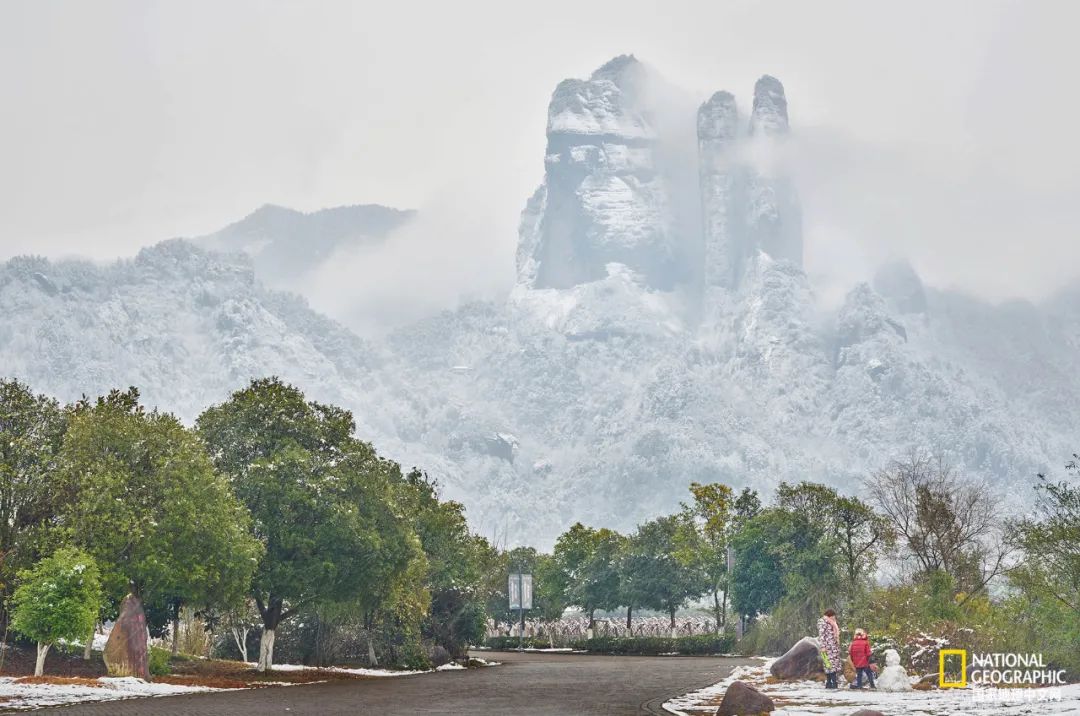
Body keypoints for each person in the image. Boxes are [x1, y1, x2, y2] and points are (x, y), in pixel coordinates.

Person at [817, 608, 841, 689]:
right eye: (833, 616)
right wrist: (823, 646)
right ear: (829, 615)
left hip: (832, 647)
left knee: (832, 665)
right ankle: (831, 682)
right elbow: (822, 635)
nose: (834, 618)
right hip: (826, 648)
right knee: (828, 665)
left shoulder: (832, 623)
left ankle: (832, 682)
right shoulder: (823, 623)